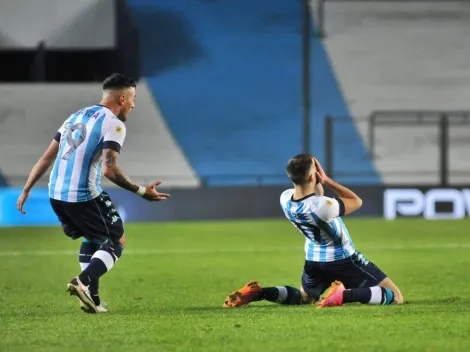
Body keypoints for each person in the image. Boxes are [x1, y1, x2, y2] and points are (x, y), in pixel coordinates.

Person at [16, 73, 170, 313]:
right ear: (121, 98)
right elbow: (110, 169)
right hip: (82, 194)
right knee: (116, 239)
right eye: (133, 98)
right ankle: (83, 282)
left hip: (56, 194)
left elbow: (47, 156)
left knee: (94, 237)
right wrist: (141, 191)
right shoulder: (114, 123)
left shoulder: (76, 116)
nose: (134, 104)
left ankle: (93, 299)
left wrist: (26, 189)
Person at [223, 154, 403, 308]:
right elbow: (356, 201)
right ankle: (343, 295)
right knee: (395, 296)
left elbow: (316, 198)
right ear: (312, 176)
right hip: (343, 259)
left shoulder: (285, 199)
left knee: (305, 297)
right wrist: (327, 180)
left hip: (313, 260)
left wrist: (315, 181)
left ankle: (259, 293)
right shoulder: (323, 206)